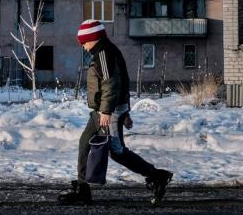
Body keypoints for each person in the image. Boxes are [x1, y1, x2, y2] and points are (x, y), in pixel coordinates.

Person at [59, 19, 173, 205]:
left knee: (117, 152)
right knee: (84, 143)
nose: (83, 46)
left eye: (84, 42)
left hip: (108, 112)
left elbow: (111, 84)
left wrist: (109, 111)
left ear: (93, 38)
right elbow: (123, 80)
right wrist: (124, 110)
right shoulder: (106, 53)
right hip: (103, 111)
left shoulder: (104, 53)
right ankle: (82, 190)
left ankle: (156, 176)